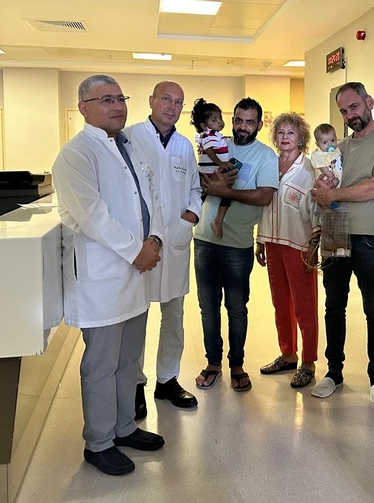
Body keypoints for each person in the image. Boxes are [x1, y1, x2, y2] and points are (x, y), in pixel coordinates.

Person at [52, 74, 165, 475]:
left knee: (128, 357)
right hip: (103, 275)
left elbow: (149, 199)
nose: (117, 106)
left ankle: (123, 426)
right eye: (106, 99)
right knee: (101, 363)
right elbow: (92, 216)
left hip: (135, 273)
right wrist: (138, 251)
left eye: (120, 98)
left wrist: (154, 240)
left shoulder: (127, 146)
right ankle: (98, 442)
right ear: (83, 108)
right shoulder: (76, 154)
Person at [310, 82, 374, 404]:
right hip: (335, 232)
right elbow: (328, 184)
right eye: (343, 111)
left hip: (370, 236)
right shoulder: (339, 148)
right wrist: (324, 184)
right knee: (333, 307)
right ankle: (333, 372)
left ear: (369, 102)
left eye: (353, 107)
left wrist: (333, 194)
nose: (349, 115)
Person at [124, 80, 201, 419]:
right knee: (136, 317)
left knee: (174, 316)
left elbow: (195, 189)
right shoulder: (129, 138)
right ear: (151, 100)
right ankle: (134, 384)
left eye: (179, 102)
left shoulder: (185, 145)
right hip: (141, 243)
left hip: (177, 240)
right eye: (166, 99)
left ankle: (167, 380)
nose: (172, 106)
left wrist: (189, 217)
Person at [193, 97, 278, 392]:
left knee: (237, 308)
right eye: (239, 120)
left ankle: (237, 365)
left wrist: (225, 190)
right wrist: (209, 186)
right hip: (203, 240)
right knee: (208, 308)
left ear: (259, 124)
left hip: (238, 246)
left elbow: (265, 196)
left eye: (249, 122)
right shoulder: (219, 144)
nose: (243, 127)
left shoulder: (266, 156)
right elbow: (200, 180)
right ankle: (213, 363)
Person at [256, 112, 320, 388]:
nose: (285, 137)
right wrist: (260, 239)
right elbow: (263, 205)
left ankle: (308, 362)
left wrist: (315, 243)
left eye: (291, 132)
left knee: (305, 307)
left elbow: (316, 208)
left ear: (301, 137)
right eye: (280, 132)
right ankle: (288, 354)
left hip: (299, 245)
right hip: (272, 243)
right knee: (280, 304)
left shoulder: (309, 169)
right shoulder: (269, 164)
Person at [191, 98, 236, 239]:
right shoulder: (208, 135)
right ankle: (218, 221)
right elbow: (209, 150)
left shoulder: (215, 135)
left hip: (210, 172)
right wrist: (220, 163)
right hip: (210, 172)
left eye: (220, 118)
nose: (220, 122)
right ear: (204, 125)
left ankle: (195, 218)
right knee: (227, 194)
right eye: (214, 119)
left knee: (204, 197)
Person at [310, 123, 342, 189]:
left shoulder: (336, 150)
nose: (330, 144)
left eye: (332, 140)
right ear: (317, 144)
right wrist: (332, 177)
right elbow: (323, 167)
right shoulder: (317, 154)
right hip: (327, 179)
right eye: (325, 142)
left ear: (336, 139)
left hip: (338, 180)